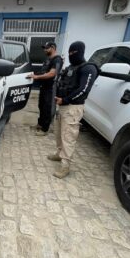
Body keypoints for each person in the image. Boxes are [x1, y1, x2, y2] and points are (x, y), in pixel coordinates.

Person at [48, 41, 98, 178]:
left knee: (68, 137)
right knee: (59, 133)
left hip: (73, 108)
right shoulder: (71, 67)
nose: (71, 55)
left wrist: (65, 100)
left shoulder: (88, 68)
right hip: (62, 106)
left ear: (80, 52)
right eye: (69, 52)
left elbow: (83, 90)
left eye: (73, 53)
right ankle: (59, 154)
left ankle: (65, 166)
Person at [27, 41, 63, 136]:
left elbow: (52, 73)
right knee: (41, 106)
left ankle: (45, 129)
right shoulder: (48, 59)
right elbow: (43, 71)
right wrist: (34, 74)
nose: (44, 50)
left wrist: (37, 77)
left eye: (46, 48)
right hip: (43, 87)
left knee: (48, 108)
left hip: (51, 88)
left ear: (53, 48)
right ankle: (40, 124)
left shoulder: (57, 60)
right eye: (44, 48)